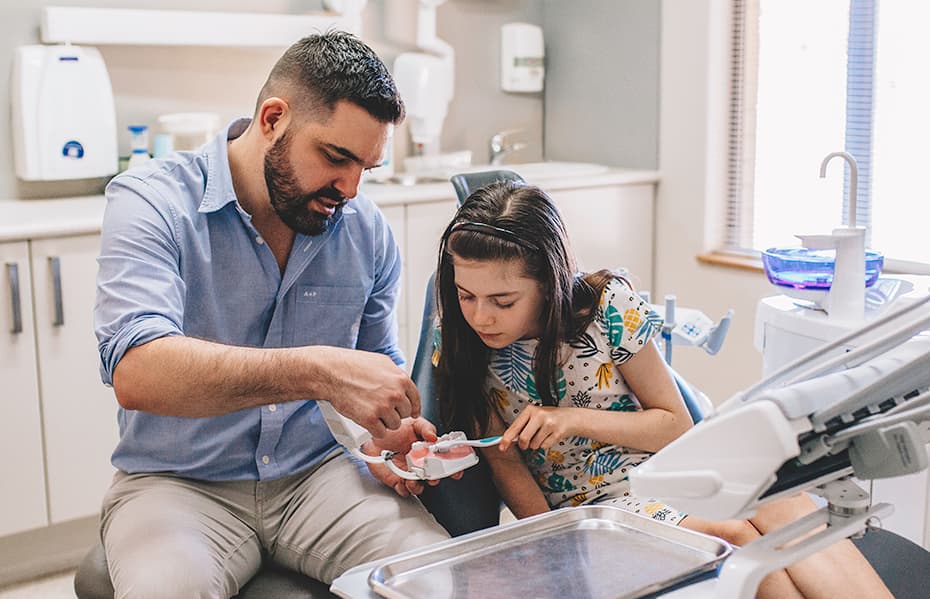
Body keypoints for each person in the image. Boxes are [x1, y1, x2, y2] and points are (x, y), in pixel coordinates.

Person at [93, 32, 450, 598]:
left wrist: (390, 440)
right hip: (178, 484)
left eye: (366, 167)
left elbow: (375, 375)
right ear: (272, 119)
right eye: (335, 158)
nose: (350, 189)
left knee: (441, 579)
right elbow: (138, 372)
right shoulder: (151, 202)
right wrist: (318, 370)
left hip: (320, 477)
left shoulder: (365, 231)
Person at [433, 180, 892, 599]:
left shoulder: (608, 306)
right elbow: (505, 463)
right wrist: (560, 551)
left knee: (782, 501)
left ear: (551, 283)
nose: (480, 317)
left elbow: (675, 425)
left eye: (503, 300)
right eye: (465, 295)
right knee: (733, 539)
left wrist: (570, 418)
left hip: (668, 474)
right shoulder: (460, 343)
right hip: (592, 511)